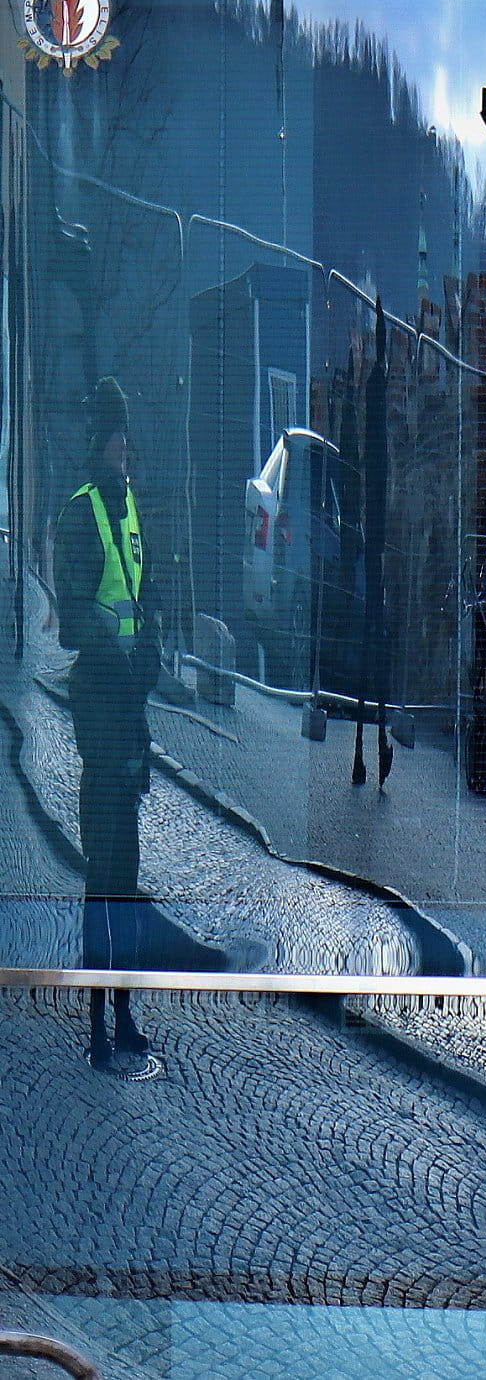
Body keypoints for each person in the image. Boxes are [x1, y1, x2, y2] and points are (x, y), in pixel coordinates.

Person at [55, 377, 161, 1069]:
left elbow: (147, 601)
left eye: (125, 434)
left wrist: (149, 654)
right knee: (104, 876)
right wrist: (115, 650)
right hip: (100, 714)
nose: (123, 446)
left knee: (126, 873)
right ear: (99, 442)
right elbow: (72, 621)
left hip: (130, 713)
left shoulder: (132, 510)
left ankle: (122, 1010)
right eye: (114, 434)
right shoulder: (80, 513)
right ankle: (98, 1019)